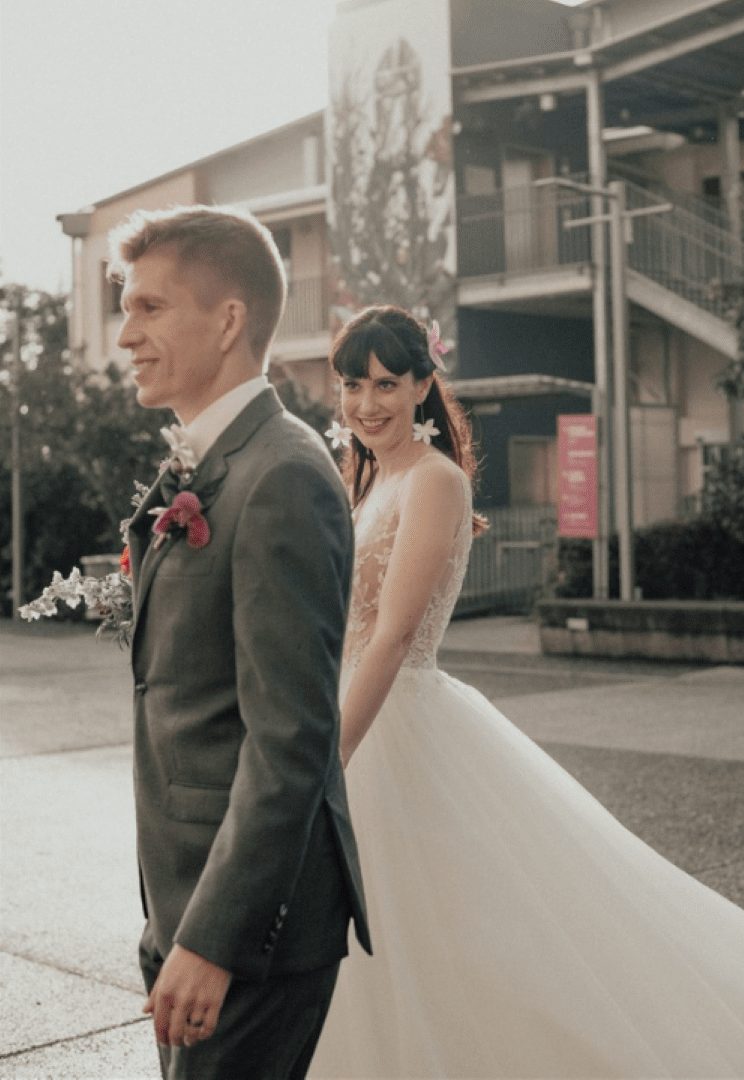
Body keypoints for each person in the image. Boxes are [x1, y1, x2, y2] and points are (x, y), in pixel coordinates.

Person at [305, 305, 744, 1078]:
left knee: (450, 934)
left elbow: (394, 636)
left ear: (424, 385)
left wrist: (328, 756)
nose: (365, 403)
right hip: (355, 707)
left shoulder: (433, 481)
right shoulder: (373, 478)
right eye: (350, 385)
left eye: (385, 384)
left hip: (390, 719)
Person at [113, 204, 370, 1080]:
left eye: (149, 308)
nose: (125, 334)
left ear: (227, 320)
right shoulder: (207, 463)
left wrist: (216, 940)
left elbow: (291, 739)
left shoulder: (281, 478)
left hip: (249, 933)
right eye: (126, 307)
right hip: (186, 902)